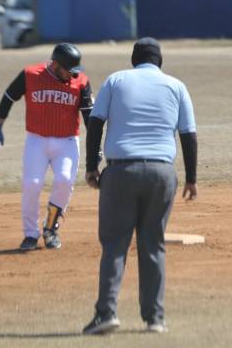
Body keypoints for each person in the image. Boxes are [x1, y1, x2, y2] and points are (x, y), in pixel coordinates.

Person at [82, 37, 197, 336]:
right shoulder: (176, 86)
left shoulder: (116, 80)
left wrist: (92, 166)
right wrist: (191, 178)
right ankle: (155, 318)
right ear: (160, 60)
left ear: (134, 59)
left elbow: (95, 123)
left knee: (115, 245)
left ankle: (106, 314)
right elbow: (188, 135)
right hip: (161, 173)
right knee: (153, 244)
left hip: (121, 172)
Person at [0, 43, 93, 251]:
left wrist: (96, 147)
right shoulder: (30, 75)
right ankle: (30, 234)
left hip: (67, 141)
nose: (72, 75)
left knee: (65, 180)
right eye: (68, 70)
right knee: (32, 184)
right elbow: (9, 97)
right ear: (55, 64)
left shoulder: (81, 81)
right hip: (36, 140)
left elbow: (89, 116)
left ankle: (51, 228)